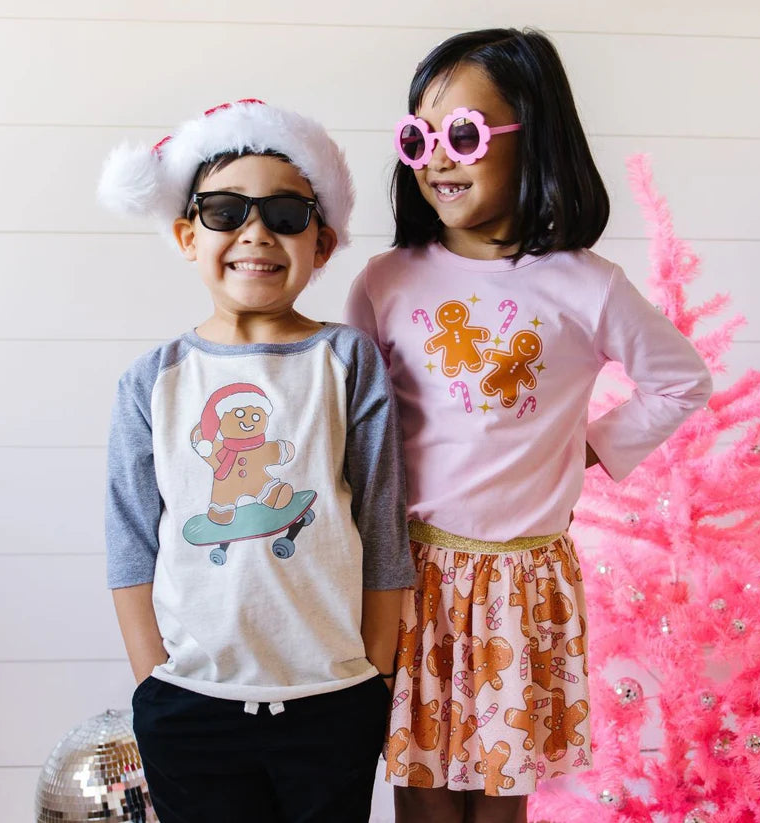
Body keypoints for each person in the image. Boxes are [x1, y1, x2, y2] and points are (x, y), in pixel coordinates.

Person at [345, 28, 713, 823]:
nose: (437, 160)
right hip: (412, 575)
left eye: (463, 135)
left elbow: (680, 380)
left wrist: (585, 449)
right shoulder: (385, 281)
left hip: (521, 582)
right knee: (420, 788)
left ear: (532, 136)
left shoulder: (585, 285)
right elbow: (354, 427)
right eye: (418, 138)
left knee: (499, 796)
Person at [99, 98, 413, 823]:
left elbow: (382, 525)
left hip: (332, 700)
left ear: (322, 243)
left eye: (285, 214)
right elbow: (130, 540)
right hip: (190, 703)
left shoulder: (347, 360)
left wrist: (375, 673)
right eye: (225, 211)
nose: (256, 232)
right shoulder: (153, 380)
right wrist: (152, 683)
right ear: (187, 235)